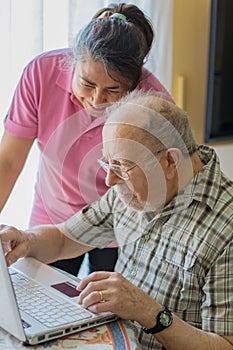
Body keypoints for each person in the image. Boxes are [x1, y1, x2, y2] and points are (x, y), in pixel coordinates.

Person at [1, 90, 232, 350]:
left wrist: (148, 311)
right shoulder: (130, 193)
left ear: (169, 161)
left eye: (122, 166)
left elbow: (224, 345)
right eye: (107, 163)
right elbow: (66, 239)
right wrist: (26, 240)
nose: (110, 181)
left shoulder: (227, 228)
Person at [0, 3, 174, 276]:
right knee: (41, 304)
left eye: (112, 90)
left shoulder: (153, 104)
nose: (96, 100)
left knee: (108, 312)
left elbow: (164, 189)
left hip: (118, 227)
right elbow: (8, 162)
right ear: (73, 62)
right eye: (87, 84)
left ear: (135, 83)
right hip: (52, 220)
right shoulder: (40, 74)